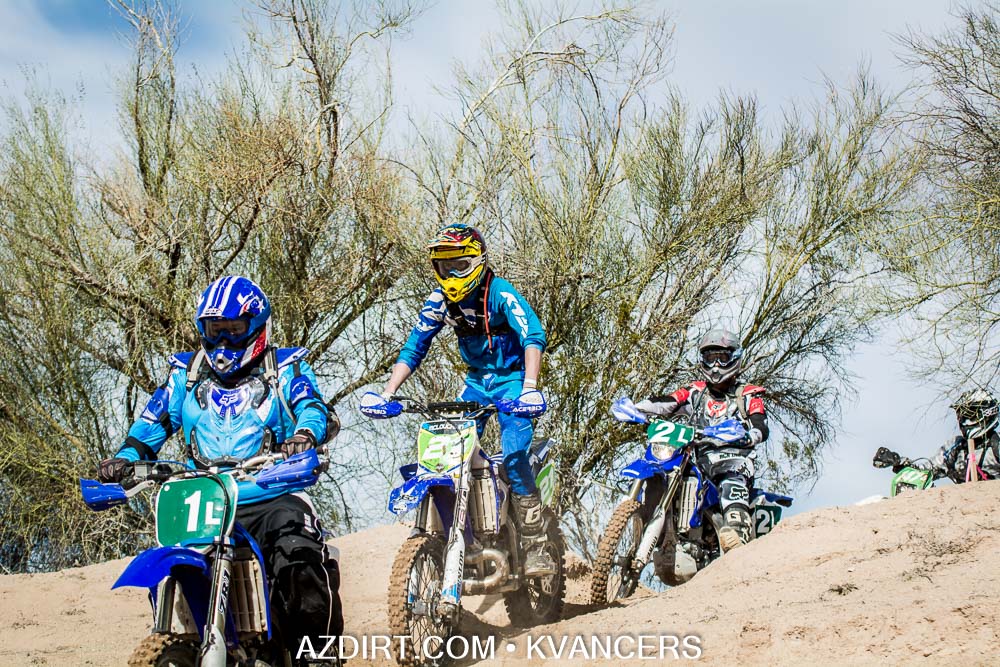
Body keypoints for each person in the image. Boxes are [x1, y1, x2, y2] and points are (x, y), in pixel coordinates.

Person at [96, 275, 344, 654]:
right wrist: (126, 459)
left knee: (298, 554)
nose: (224, 341)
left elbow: (311, 406)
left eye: (234, 329)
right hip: (205, 499)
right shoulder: (186, 375)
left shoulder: (285, 367)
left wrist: (304, 436)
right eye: (215, 330)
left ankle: (319, 656)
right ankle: (178, 644)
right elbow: (151, 424)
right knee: (171, 567)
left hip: (270, 492)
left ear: (256, 327)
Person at [359, 223, 554, 576]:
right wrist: (388, 393)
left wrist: (529, 387)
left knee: (513, 455)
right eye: (444, 266)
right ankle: (460, 535)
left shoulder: (500, 293)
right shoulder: (439, 301)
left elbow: (533, 334)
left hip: (512, 382)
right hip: (476, 383)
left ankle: (536, 542)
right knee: (444, 452)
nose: (450, 274)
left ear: (478, 261)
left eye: (459, 265)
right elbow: (415, 346)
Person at [634, 328, 768, 551]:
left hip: (733, 460)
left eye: (722, 358)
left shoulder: (747, 394)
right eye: (710, 358)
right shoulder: (695, 391)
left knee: (730, 482)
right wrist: (636, 408)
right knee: (668, 471)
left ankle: (737, 537)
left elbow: (760, 424)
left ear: (734, 358)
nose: (715, 365)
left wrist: (749, 436)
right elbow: (666, 402)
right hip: (699, 459)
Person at [880, 388, 1000, 483]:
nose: (965, 420)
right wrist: (899, 462)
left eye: (970, 414)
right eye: (962, 415)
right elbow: (927, 471)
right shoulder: (956, 446)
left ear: (987, 414)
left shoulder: (997, 444)